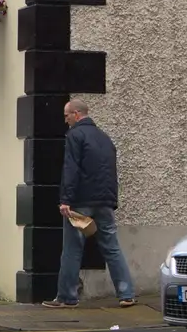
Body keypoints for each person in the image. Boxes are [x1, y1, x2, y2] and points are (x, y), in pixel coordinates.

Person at [46, 98, 136, 308]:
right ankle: (126, 294)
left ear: (77, 114)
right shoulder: (105, 138)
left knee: (72, 248)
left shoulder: (75, 135)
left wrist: (65, 200)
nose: (65, 119)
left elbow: (71, 169)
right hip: (104, 202)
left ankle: (67, 297)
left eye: (67, 115)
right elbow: (110, 171)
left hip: (81, 202)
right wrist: (111, 200)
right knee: (112, 248)